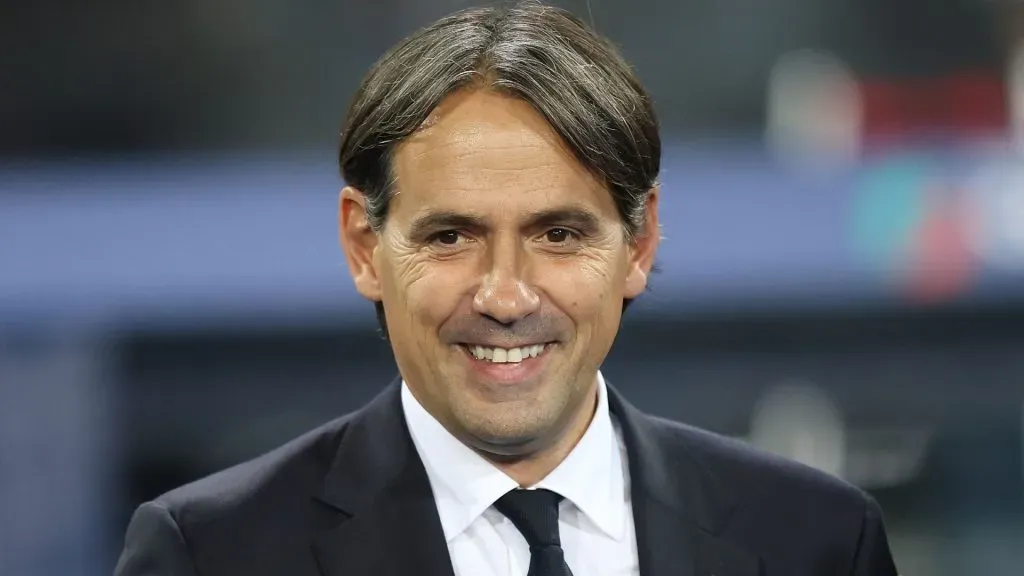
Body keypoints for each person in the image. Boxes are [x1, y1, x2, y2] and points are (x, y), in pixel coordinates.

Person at [114, 3, 899, 575]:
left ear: (641, 242)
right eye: (450, 236)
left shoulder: (818, 541)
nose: (507, 295)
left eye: (559, 235)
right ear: (364, 245)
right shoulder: (209, 554)